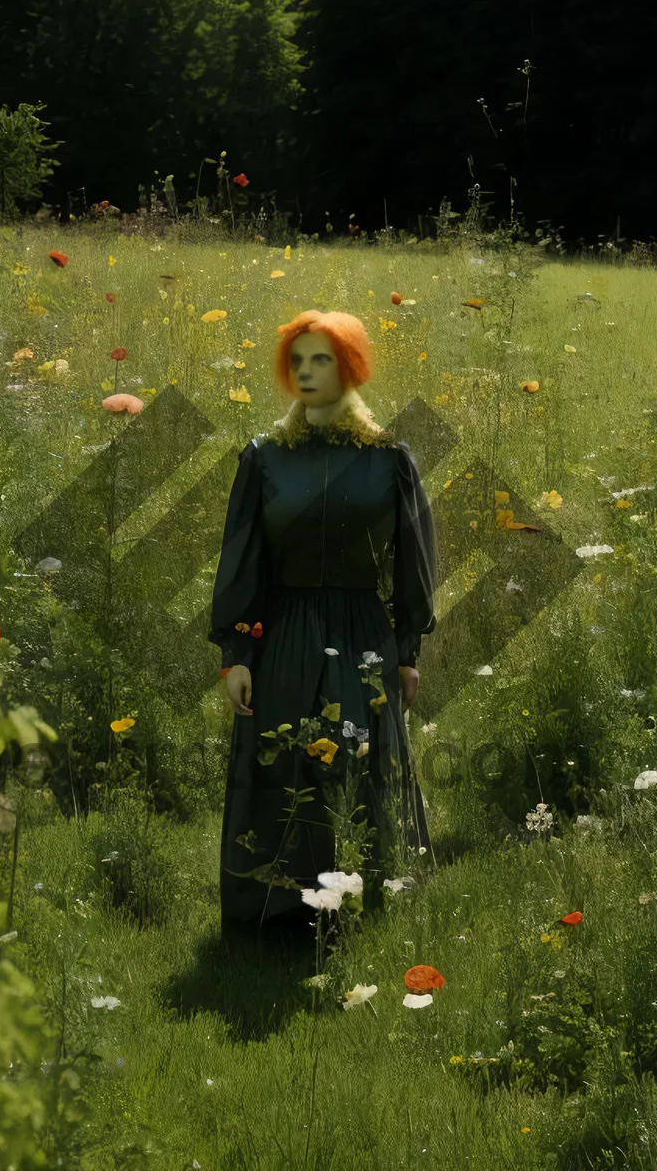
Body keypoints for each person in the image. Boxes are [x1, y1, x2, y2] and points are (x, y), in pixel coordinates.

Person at [208, 309, 438, 947]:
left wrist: (408, 650)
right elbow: (244, 560)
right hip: (284, 631)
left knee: (363, 761)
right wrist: (237, 653)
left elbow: (411, 563)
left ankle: (370, 909)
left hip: (365, 634)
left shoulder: (390, 459)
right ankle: (278, 916)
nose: (306, 373)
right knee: (286, 761)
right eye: (298, 361)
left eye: (322, 360)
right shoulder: (264, 458)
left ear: (351, 368)